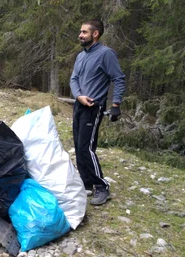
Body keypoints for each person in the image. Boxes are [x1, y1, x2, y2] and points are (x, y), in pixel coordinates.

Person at [70, 20, 125, 205]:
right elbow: (74, 79)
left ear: (95, 34)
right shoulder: (80, 56)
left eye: (84, 32)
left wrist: (115, 104)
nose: (80, 35)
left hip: (94, 108)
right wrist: (78, 96)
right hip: (79, 105)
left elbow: (118, 78)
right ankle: (86, 184)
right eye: (80, 31)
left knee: (87, 148)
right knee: (78, 146)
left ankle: (102, 187)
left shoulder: (106, 54)